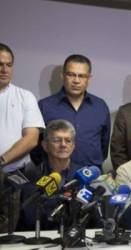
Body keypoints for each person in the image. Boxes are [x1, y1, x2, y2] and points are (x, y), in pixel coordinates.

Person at [0, 43, 45, 233]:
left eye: (8, 65)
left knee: (8, 234)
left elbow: (32, 139)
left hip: (12, 177)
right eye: (0, 64)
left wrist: (1, 161)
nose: (4, 69)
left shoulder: (24, 96)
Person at [38, 54, 110, 170]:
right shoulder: (45, 106)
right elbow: (37, 147)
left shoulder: (100, 106)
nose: (76, 80)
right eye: (71, 75)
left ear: (89, 79)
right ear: (63, 76)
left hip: (91, 176)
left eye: (81, 76)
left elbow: (104, 145)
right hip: (54, 176)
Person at [23, 119, 82, 230]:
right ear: (45, 145)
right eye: (56, 140)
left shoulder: (83, 174)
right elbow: (30, 218)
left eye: (68, 140)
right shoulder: (33, 175)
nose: (63, 145)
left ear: (73, 146)